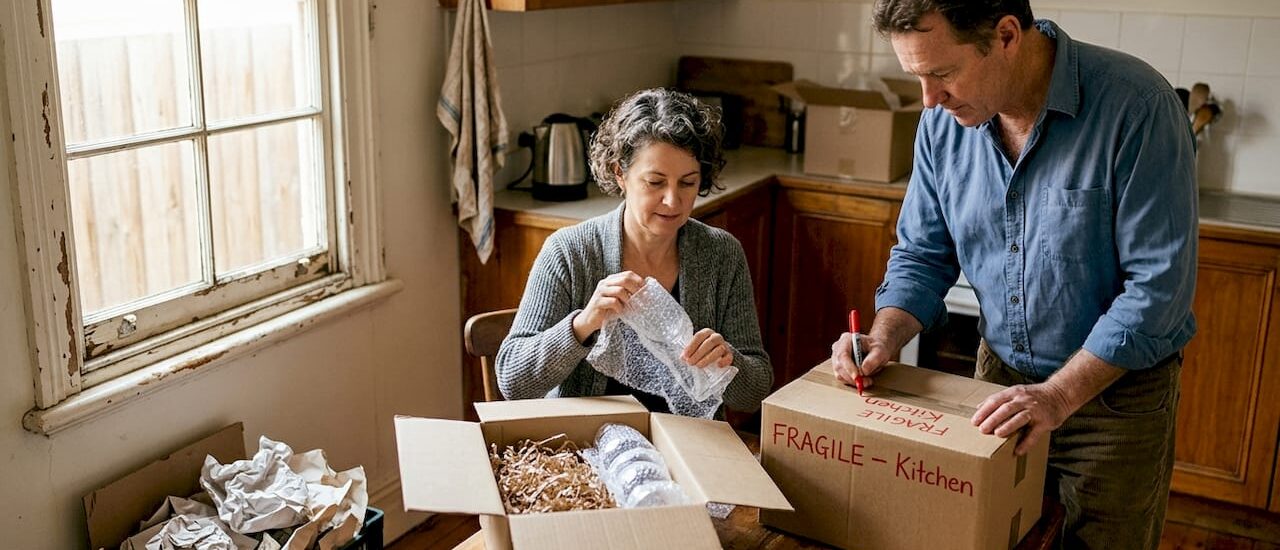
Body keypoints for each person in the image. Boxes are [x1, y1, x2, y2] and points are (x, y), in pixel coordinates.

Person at [829, 2, 1197, 548]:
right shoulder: (942, 124)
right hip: (998, 385)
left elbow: (1157, 289)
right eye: (917, 77)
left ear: (1005, 36)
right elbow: (923, 254)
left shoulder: (1137, 106)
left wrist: (1056, 396)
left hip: (1113, 403)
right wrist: (882, 335)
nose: (929, 99)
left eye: (943, 73)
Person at [496, 88, 772, 416]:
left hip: (692, 449)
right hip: (585, 447)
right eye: (655, 182)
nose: (673, 200)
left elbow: (754, 393)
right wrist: (583, 324)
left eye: (687, 183)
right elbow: (513, 381)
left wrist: (728, 360)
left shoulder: (721, 254)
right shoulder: (570, 252)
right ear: (620, 173)